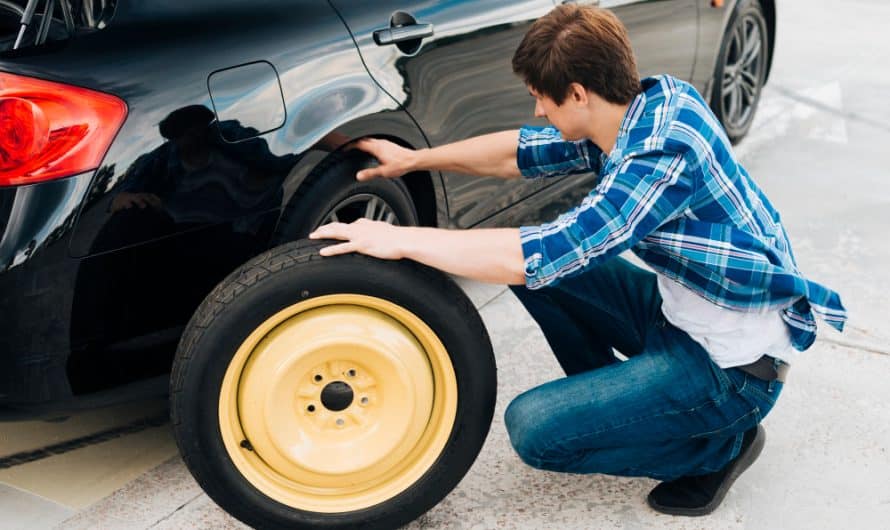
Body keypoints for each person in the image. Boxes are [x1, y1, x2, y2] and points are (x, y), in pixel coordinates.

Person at [308, 4, 846, 516]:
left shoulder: (659, 160)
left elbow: (546, 251)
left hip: (732, 373)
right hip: (679, 317)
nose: (538, 110)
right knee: (523, 262)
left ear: (578, 93)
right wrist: (414, 159)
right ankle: (633, 408)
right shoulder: (644, 106)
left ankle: (714, 449)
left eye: (543, 97)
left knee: (535, 430)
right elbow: (518, 151)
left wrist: (399, 240)